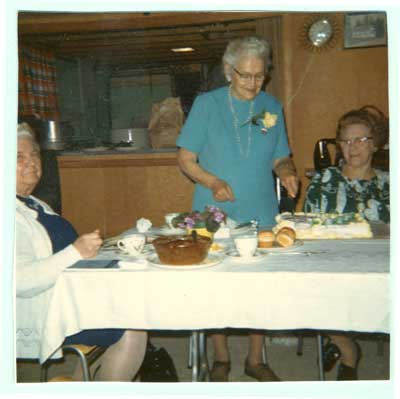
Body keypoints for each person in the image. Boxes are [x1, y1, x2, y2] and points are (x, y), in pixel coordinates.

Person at [176, 36, 299, 382]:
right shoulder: (208, 105)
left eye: (260, 76)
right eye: (245, 75)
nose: (252, 83)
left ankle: (256, 358)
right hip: (213, 208)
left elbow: (277, 154)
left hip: (260, 205)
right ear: (229, 71)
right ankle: (221, 357)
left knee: (258, 285)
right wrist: (213, 182)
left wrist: (287, 171)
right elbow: (186, 160)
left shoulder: (268, 108)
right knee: (217, 283)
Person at [15, 122, 147, 381]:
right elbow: (20, 281)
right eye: (18, 157)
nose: (31, 162)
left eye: (35, 155)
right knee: (132, 326)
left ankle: (77, 386)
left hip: (71, 299)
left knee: (136, 300)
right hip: (45, 310)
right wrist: (75, 251)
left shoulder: (34, 203)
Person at [303, 105, 390, 380]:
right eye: (345, 141)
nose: (351, 148)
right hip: (333, 262)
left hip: (378, 265)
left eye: (360, 140)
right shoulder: (324, 180)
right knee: (305, 287)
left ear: (375, 144)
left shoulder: (390, 184)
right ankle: (346, 347)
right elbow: (307, 227)